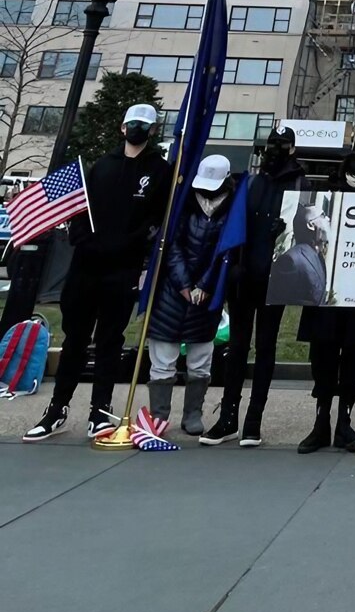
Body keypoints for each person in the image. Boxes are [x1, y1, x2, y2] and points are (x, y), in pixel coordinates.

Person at [23, 103, 172, 442]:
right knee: (75, 340)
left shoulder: (160, 171)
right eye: (132, 123)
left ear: (151, 132)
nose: (137, 129)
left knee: (109, 341)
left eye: (144, 125)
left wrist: (131, 250)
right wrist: (84, 239)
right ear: (123, 127)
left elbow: (155, 222)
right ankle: (57, 409)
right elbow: (77, 211)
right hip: (85, 269)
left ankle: (100, 412)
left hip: (122, 270)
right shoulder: (100, 166)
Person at [203, 125, 309, 447]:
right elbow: (231, 225)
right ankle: (228, 417)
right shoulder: (248, 182)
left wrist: (291, 228)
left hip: (277, 279)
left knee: (265, 347)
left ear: (292, 149)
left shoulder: (300, 185)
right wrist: (232, 265)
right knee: (236, 348)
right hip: (243, 278)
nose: (276, 148)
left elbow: (308, 232)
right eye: (272, 143)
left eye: (283, 144)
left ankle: (253, 421)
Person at [297, 135, 355, 455]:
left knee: (352, 357)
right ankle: (321, 421)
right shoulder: (326, 196)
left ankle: (344, 422)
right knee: (322, 357)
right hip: (326, 293)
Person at [147, 153, 240, 436]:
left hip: (207, 295)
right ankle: (159, 415)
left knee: (200, 358)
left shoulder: (234, 210)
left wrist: (206, 286)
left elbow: (225, 252)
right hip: (172, 292)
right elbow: (171, 246)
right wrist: (185, 285)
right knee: (162, 356)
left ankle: (193, 414)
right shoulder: (182, 202)